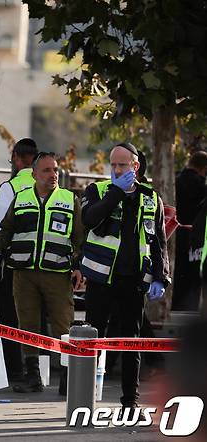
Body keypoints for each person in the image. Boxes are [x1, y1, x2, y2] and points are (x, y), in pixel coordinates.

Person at [81, 142, 170, 410]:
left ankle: (130, 401)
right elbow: (89, 220)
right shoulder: (98, 191)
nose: (117, 170)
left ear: (136, 167)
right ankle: (83, 397)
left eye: (123, 165)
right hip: (101, 279)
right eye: (114, 165)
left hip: (134, 282)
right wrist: (115, 193)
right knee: (93, 339)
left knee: (132, 341)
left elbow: (159, 242)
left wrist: (160, 277)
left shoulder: (151, 198)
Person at [0, 152, 83, 394]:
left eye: (55, 170)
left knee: (63, 325)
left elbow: (80, 238)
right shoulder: (21, 198)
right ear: (34, 174)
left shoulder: (70, 200)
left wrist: (79, 267)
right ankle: (32, 377)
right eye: (47, 171)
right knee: (27, 325)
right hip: (24, 272)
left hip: (57, 273)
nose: (53, 175)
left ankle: (68, 379)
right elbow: (7, 230)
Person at [0, 138, 38, 384]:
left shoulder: (11, 187)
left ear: (17, 158)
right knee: (34, 318)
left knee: (10, 317)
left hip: (15, 263)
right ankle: (37, 372)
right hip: (44, 264)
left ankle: (15, 372)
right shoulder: (50, 184)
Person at [173, 150, 207, 311]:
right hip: (196, 241)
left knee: (177, 277)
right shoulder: (202, 186)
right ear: (204, 168)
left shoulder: (175, 181)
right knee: (193, 280)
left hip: (174, 236)